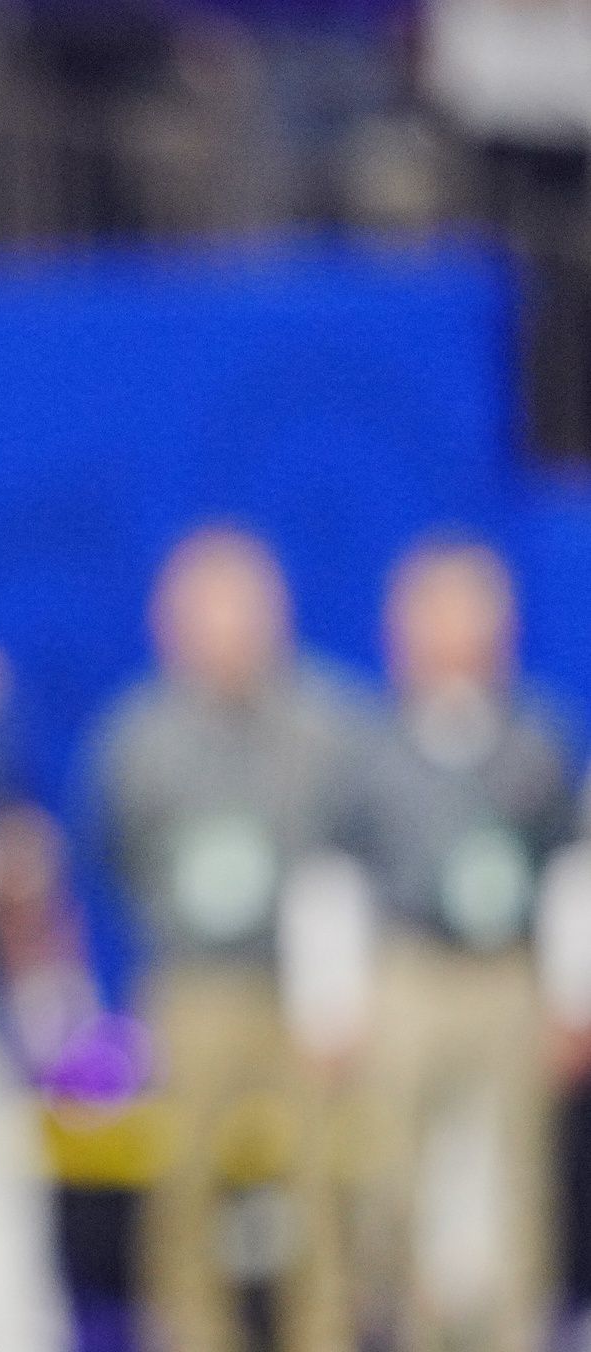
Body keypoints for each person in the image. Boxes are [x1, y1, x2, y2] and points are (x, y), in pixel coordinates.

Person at [84, 526, 376, 1352]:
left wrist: (341, 991)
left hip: (304, 988)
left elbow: (355, 856)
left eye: (241, 609)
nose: (226, 630)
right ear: (169, 624)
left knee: (321, 1181)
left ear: (276, 615)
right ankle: (191, 1334)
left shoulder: (332, 726)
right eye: (204, 611)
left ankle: (324, 1333)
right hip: (193, 985)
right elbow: (117, 853)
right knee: (182, 1184)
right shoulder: (137, 738)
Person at [358, 537, 578, 1352]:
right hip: (410, 971)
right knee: (392, 1172)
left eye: (469, 615)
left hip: (506, 974)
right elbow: (342, 876)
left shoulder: (539, 740)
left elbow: (567, 869)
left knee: (519, 1175)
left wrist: (571, 996)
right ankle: (415, 1328)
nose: (452, 635)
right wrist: (336, 1001)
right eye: (434, 615)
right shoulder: (373, 747)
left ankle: (514, 1330)